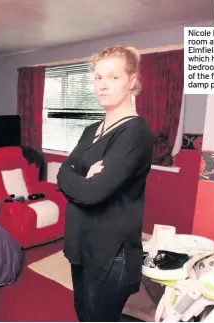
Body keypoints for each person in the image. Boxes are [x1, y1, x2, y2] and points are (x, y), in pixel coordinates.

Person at [56, 45, 154, 322]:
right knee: (83, 315)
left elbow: (93, 192)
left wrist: (78, 179)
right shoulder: (92, 130)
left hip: (111, 253)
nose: (102, 85)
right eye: (98, 78)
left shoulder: (136, 132)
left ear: (132, 81)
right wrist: (76, 177)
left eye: (113, 77)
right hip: (80, 244)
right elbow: (62, 172)